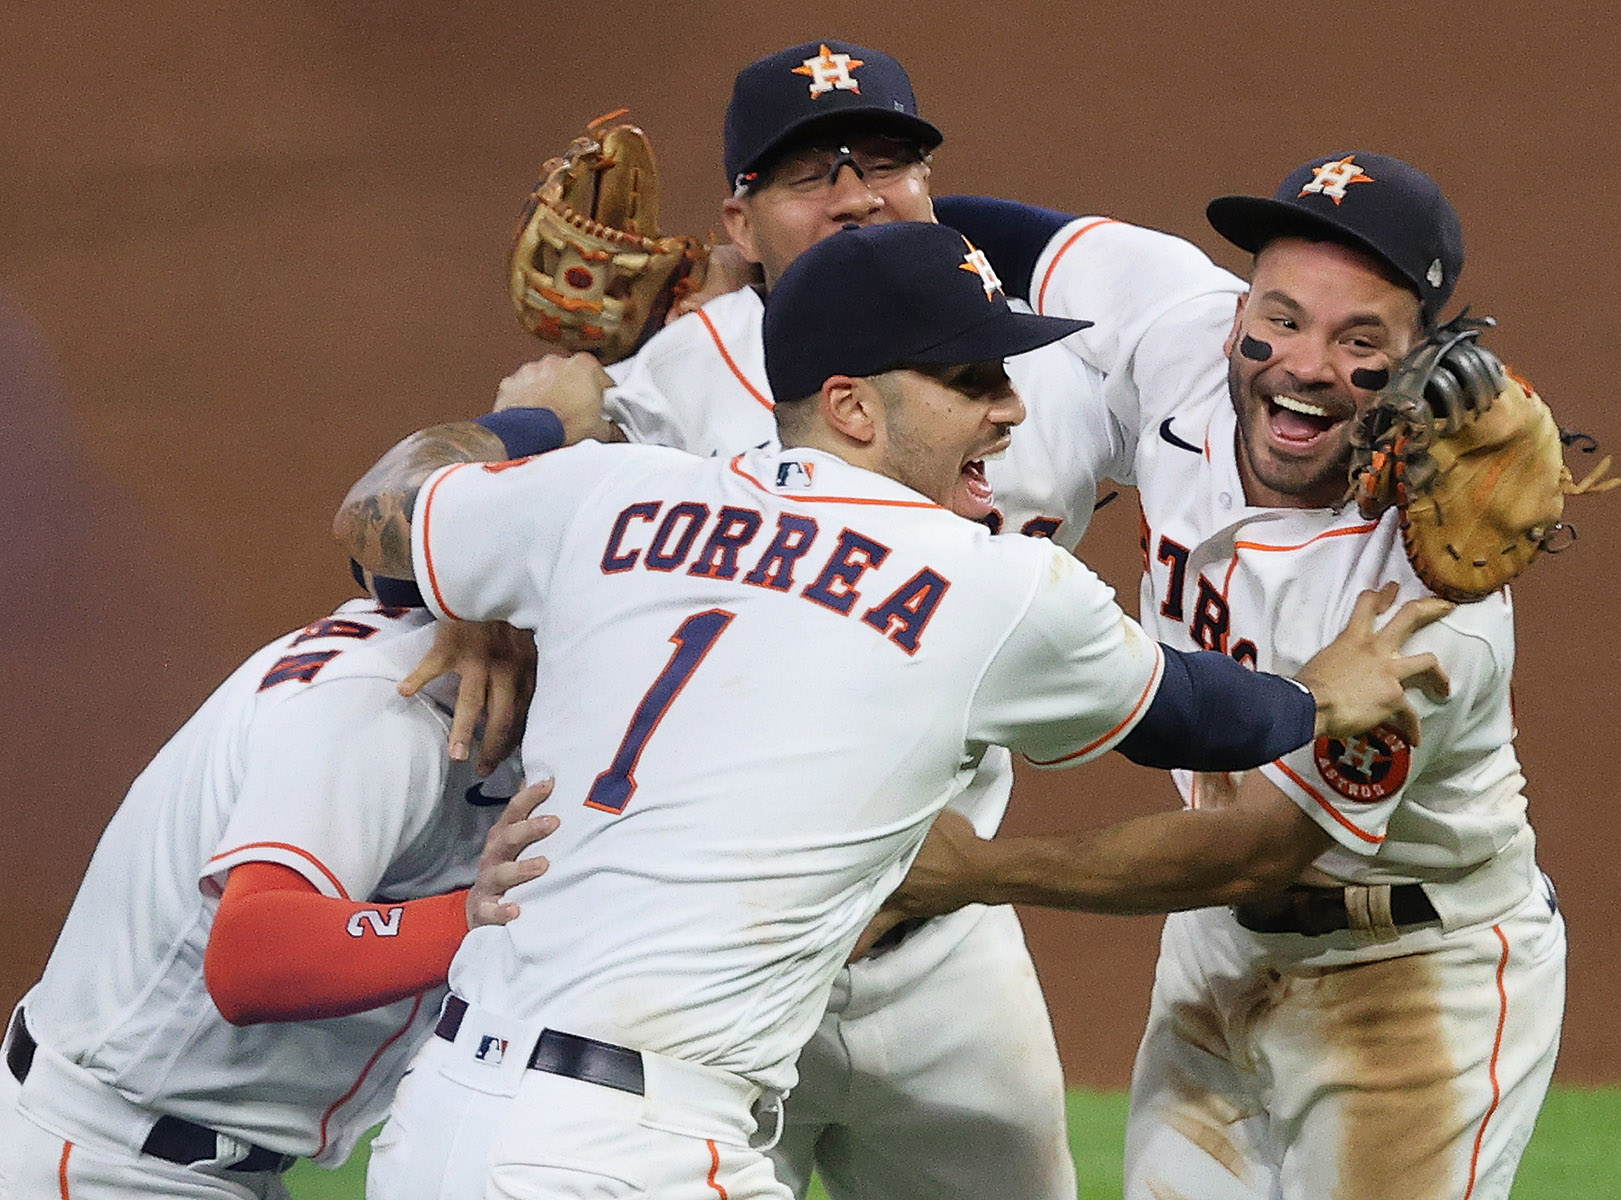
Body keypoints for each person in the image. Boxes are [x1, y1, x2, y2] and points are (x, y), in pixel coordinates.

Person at [333, 220, 1451, 1200]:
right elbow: (1203, 716)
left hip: (444, 1124)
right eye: (972, 379)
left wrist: (536, 424)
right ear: (855, 406)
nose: (1012, 409)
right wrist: (1317, 698)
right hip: (636, 1152)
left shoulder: (611, 491)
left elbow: (379, 515)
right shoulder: (986, 584)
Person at [482, 38, 1249, 1200]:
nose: (856, 194)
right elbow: (522, 535)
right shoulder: (663, 392)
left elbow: (1239, 407)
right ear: (736, 226)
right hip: (717, 975)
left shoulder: (1038, 363)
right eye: (808, 175)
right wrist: (490, 551)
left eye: (888, 161)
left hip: (945, 955)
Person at [878, 156, 1569, 1199]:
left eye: (1360, 340)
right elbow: (989, 233)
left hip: (1417, 991)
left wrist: (973, 871)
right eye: (1282, 319)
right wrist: (767, 274)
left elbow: (1259, 851)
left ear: (1422, 360)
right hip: (1219, 957)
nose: (1304, 363)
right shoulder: (1180, 330)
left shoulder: (1427, 597)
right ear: (1240, 307)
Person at [0, 597, 552, 1199]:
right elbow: (253, 959)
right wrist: (467, 916)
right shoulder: (386, 706)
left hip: (182, 1163)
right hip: (109, 1162)